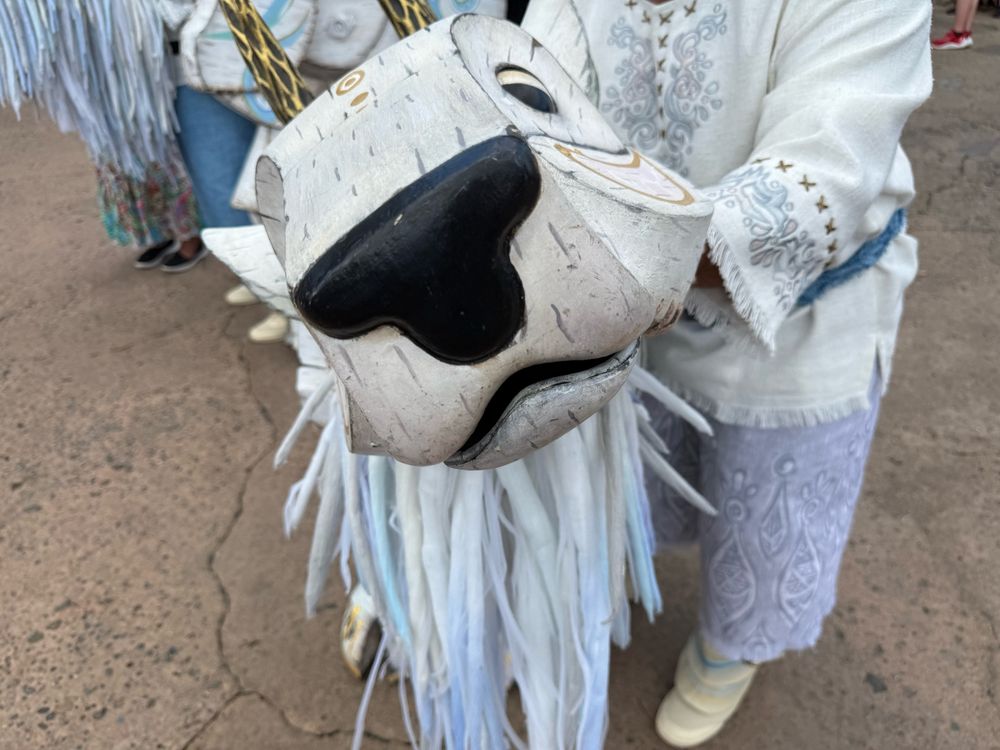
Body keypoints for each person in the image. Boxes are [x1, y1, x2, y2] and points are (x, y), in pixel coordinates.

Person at [542, 0, 932, 745]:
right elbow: (532, 96)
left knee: (763, 509)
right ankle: (629, 568)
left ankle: (727, 650)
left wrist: (555, 240)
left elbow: (821, 172)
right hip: (629, 305)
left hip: (796, 319)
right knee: (634, 457)